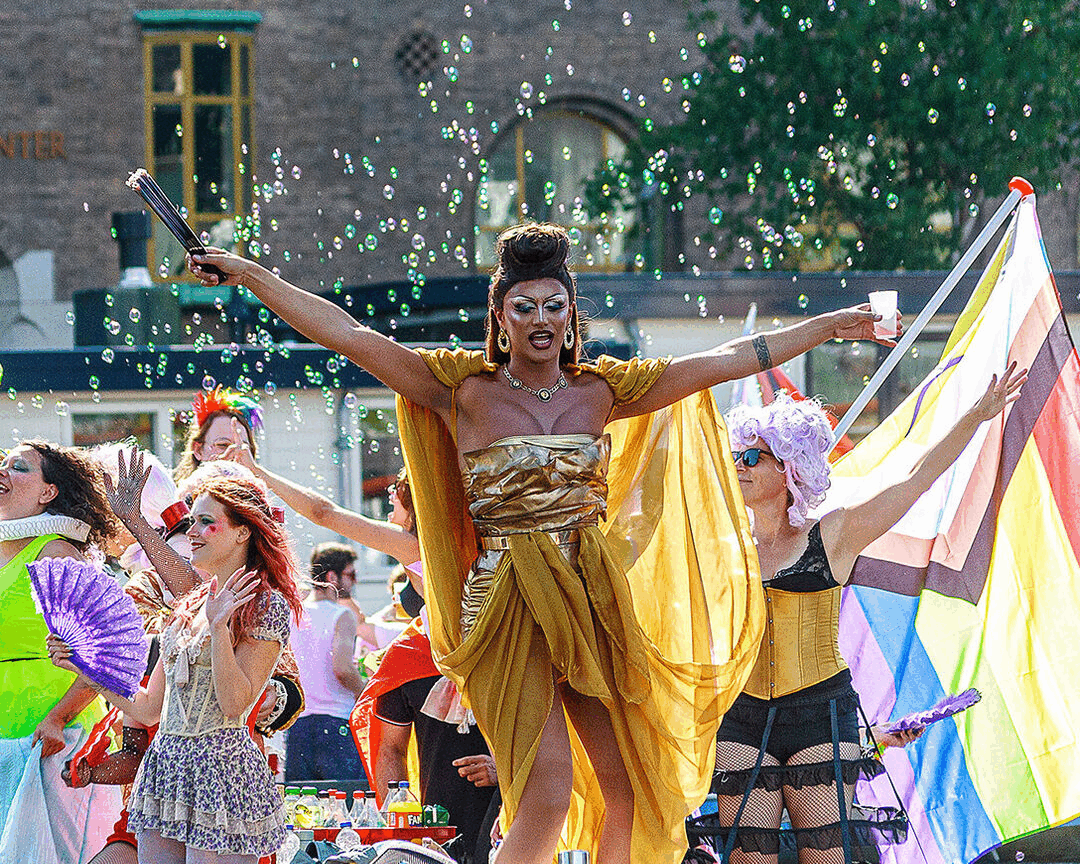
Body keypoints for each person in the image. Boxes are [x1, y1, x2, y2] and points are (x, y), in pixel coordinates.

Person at [187, 222, 893, 864]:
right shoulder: (461, 388)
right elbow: (348, 334)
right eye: (524, 307)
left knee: (629, 794)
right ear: (500, 317)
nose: (541, 321)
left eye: (554, 306)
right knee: (548, 798)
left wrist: (831, 324)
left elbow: (730, 357)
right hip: (505, 607)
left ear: (570, 315)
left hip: (588, 601)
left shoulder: (602, 390)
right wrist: (252, 275)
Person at [712, 365, 1025, 864]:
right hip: (741, 713)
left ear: (790, 467)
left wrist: (975, 417)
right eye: (736, 456)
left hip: (818, 712)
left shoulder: (832, 534)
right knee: (748, 858)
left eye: (753, 456)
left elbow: (915, 478)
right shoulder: (724, 542)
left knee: (825, 858)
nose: (739, 465)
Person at [49, 471, 303, 863]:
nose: (192, 531)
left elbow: (235, 703)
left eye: (205, 521)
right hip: (165, 769)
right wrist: (86, 669)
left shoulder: (266, 605)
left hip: (221, 773)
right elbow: (150, 708)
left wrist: (219, 629)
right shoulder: (189, 604)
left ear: (242, 533)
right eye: (191, 521)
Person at [0, 440, 122, 861]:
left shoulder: (54, 551)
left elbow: (104, 653)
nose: (2, 471)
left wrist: (58, 717)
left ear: (48, 492)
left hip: (53, 732)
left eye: (18, 467)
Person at [285, 542, 366, 783]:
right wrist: (366, 692)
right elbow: (342, 669)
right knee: (344, 810)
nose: (354, 582)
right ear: (332, 576)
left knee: (303, 812)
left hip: (297, 724)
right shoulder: (341, 615)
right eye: (351, 575)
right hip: (336, 724)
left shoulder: (293, 613)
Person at [174, 385, 262, 481]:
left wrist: (255, 470)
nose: (234, 454)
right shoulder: (182, 493)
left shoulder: (259, 494)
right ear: (198, 450)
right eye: (223, 445)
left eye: (242, 447)